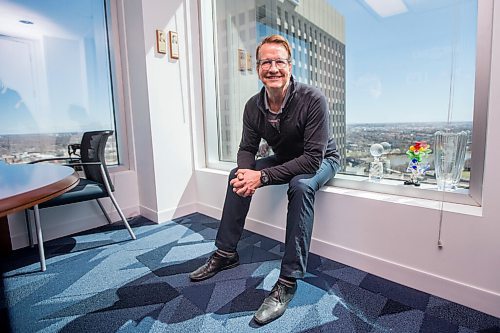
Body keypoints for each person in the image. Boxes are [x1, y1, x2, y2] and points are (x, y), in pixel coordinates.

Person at [189, 34, 341, 325]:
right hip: (285, 157)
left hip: (321, 159)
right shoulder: (253, 106)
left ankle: (287, 281)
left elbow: (311, 160)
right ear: (258, 68)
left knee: (301, 185)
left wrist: (263, 176)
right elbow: (247, 148)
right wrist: (248, 174)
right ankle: (225, 252)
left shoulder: (313, 100)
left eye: (279, 61)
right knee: (237, 174)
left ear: (290, 65)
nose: (273, 68)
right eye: (266, 62)